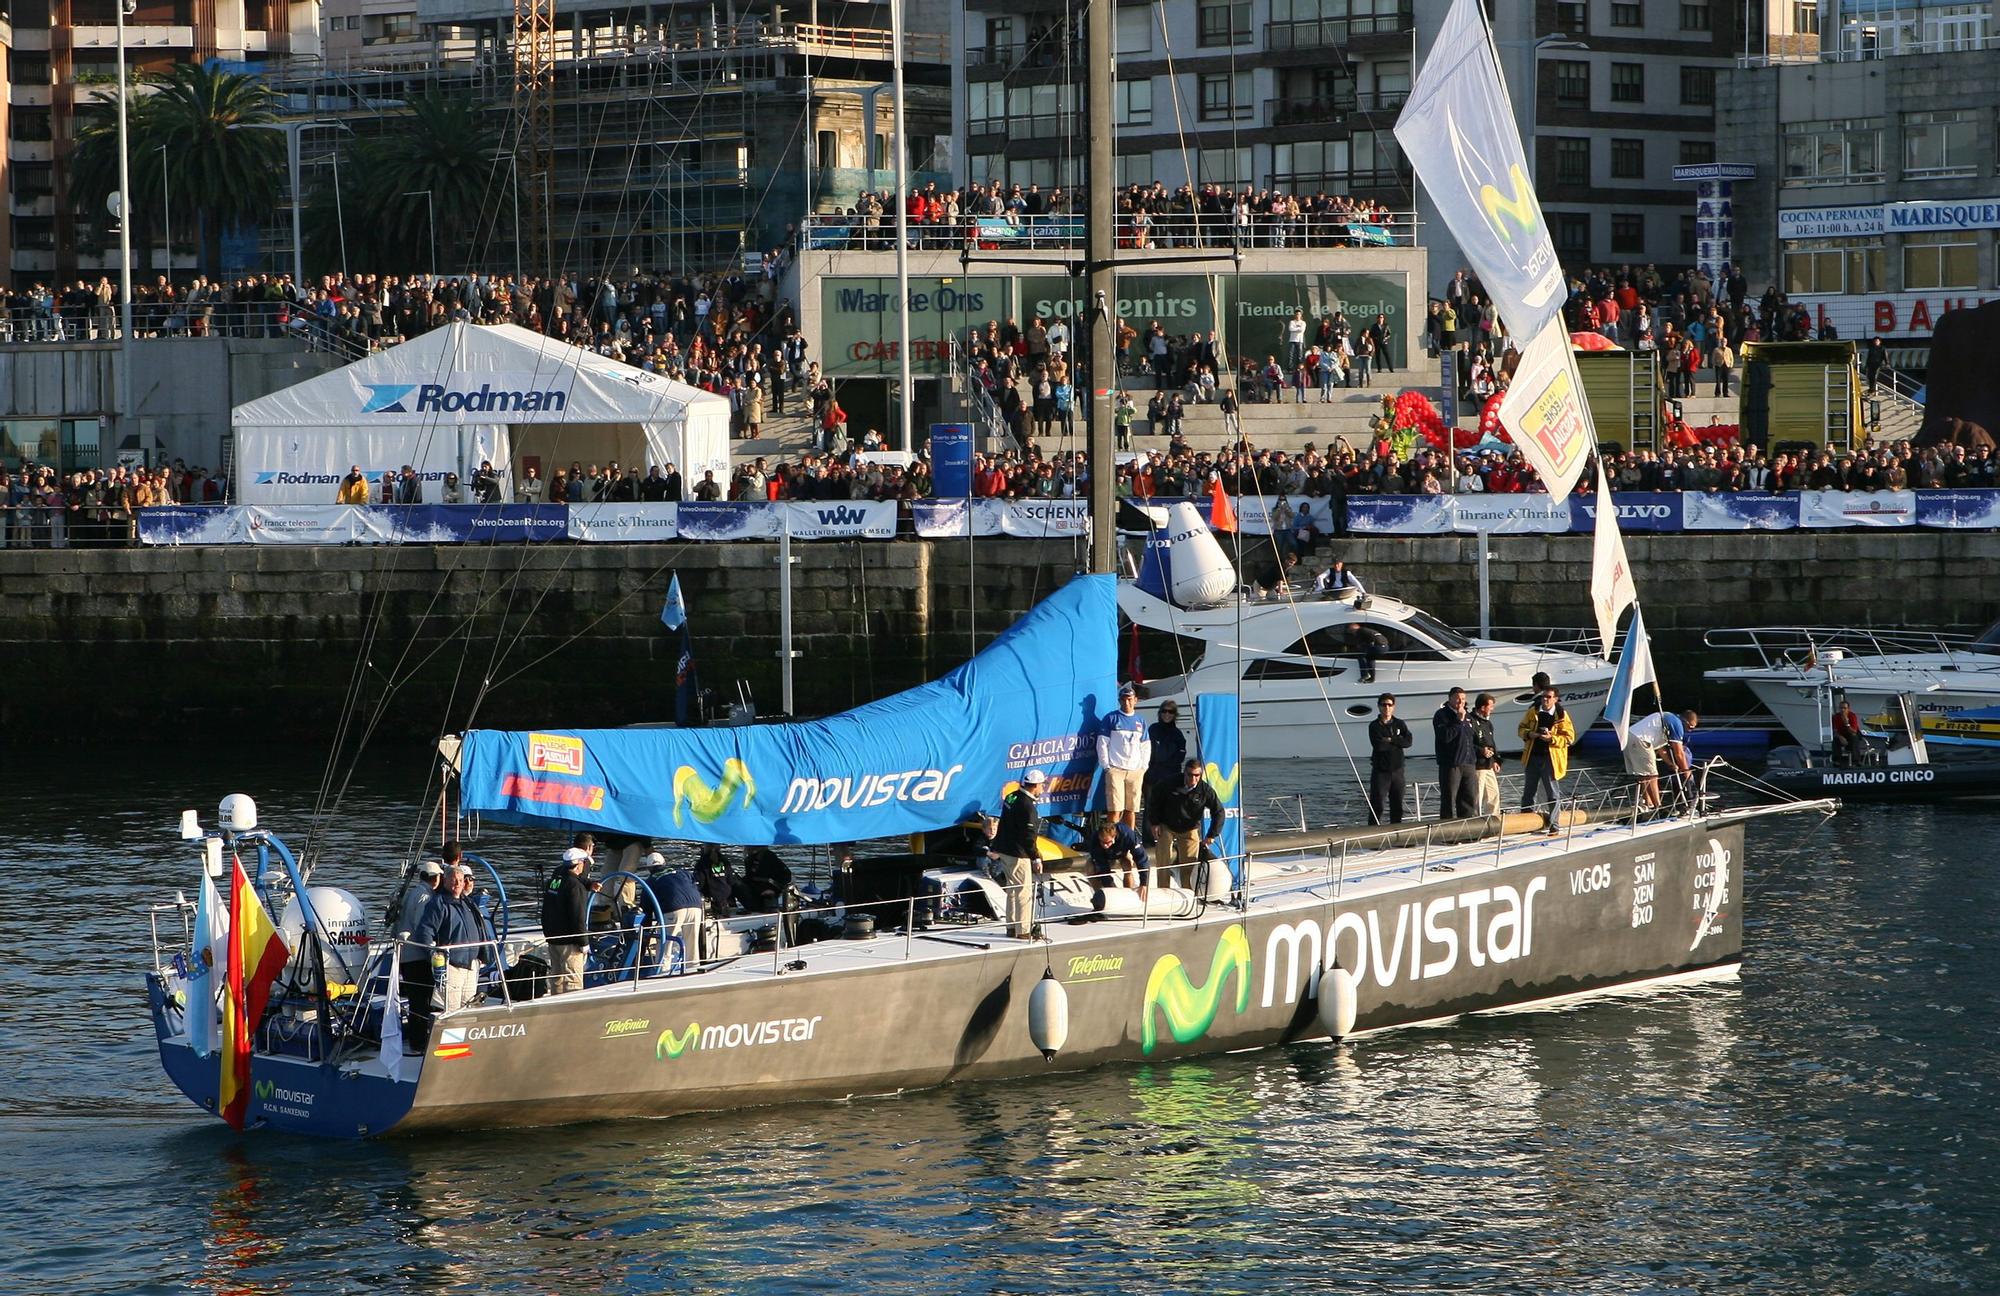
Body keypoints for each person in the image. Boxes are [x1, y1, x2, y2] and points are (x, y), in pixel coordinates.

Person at [1145, 758, 1223, 896]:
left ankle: (1187, 894)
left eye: (1196, 775)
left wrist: (1212, 834)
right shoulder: (1169, 783)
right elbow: (1154, 801)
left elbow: (1219, 812)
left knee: (1189, 865)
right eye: (1189, 774)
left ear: (1201, 775)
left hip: (1189, 828)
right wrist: (1154, 822)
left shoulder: (1205, 790)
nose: (1193, 778)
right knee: (1163, 859)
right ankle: (1163, 892)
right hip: (1167, 825)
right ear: (1184, 773)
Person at [412, 862, 483, 1013]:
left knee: (469, 1010)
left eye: (460, 880)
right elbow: (425, 931)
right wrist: (434, 956)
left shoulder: (467, 903)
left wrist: (484, 953)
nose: (457, 883)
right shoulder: (438, 903)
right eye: (453, 879)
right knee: (450, 1011)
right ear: (445, 881)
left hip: (470, 965)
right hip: (452, 966)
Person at [989, 769, 1047, 938]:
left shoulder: (1011, 796)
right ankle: (1023, 931)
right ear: (1035, 786)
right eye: (1042, 785)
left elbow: (1005, 823)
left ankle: (1011, 927)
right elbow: (1028, 837)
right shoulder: (1028, 807)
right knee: (1023, 891)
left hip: (1004, 849)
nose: (1043, 788)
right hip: (1018, 853)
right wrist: (1036, 856)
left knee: (1013, 889)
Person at [394, 857, 445, 1046]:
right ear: (435, 878)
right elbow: (421, 924)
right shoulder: (425, 896)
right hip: (417, 956)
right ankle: (419, 1041)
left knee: (416, 1000)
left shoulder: (413, 893)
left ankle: (416, 1039)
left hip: (407, 955)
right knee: (421, 1000)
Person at [540, 835, 599, 995]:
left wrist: (589, 884)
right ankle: (573, 1016)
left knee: (557, 978)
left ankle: (556, 1009)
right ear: (579, 864)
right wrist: (584, 942)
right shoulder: (575, 887)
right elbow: (578, 916)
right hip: (569, 941)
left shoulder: (557, 876)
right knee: (573, 981)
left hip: (553, 937)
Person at [1517, 686, 1576, 834]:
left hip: (1550, 758)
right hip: (1532, 756)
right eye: (1544, 696)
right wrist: (1530, 734)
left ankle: (1554, 824)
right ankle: (1525, 821)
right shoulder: (1533, 712)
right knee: (1528, 792)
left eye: (1549, 697)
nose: (1545, 699)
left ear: (1555, 699)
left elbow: (1569, 738)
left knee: (1552, 792)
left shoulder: (1562, 715)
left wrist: (1551, 739)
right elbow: (1521, 728)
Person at [1097, 684, 1152, 831]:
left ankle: (1129, 842)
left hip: (1135, 771)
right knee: (1115, 810)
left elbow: (1146, 746)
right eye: (1123, 699)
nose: (1126, 702)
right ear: (1119, 701)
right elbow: (1102, 743)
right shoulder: (1111, 718)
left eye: (1129, 699)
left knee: (1131, 810)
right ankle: (1111, 840)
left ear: (1135, 700)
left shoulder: (1140, 721)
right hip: (1116, 769)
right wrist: (1106, 766)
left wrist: (1143, 767)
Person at [643, 851, 706, 974]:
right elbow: (695, 883)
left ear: (648, 868)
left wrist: (644, 935)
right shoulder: (682, 872)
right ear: (664, 863)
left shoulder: (650, 881)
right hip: (696, 906)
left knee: (665, 944)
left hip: (673, 909)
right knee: (692, 943)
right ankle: (693, 970)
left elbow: (646, 912)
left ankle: (662, 973)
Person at [1625, 708, 1698, 809]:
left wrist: (1670, 763)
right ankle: (1658, 808)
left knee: (1643, 775)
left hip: (1629, 736)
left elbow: (1660, 748)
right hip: (1641, 740)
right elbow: (1679, 753)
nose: (1690, 730)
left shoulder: (1669, 719)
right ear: (1685, 721)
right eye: (1691, 727)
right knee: (1652, 775)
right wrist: (1687, 772)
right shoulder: (1677, 724)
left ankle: (1648, 805)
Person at [1367, 693, 1414, 825]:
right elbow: (1379, 745)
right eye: (1384, 705)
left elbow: (1408, 742)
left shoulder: (1400, 723)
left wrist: (1391, 739)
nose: (1386, 708)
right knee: (1378, 805)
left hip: (1398, 770)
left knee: (1397, 805)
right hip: (1381, 771)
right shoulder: (1374, 726)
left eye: (1389, 705)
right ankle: (1373, 835)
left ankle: (1397, 833)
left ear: (1393, 707)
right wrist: (1397, 741)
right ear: (1379, 707)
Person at [1433, 687, 1479, 818]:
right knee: (1449, 799)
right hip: (1451, 764)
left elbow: (1472, 738)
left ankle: (1468, 832)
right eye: (1458, 698)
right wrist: (1458, 721)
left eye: (1463, 699)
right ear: (1450, 699)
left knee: (1469, 798)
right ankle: (1447, 833)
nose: (1461, 701)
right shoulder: (1441, 715)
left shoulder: (1468, 716)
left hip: (1468, 763)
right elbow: (1445, 736)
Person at [1082, 819, 1152, 893]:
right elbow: (1103, 867)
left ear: (1114, 837)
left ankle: (1129, 892)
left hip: (1122, 853)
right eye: (1102, 842)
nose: (1105, 845)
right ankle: (1100, 893)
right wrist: (1112, 890)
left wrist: (1144, 883)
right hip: (1104, 857)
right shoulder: (1095, 840)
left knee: (1127, 864)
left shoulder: (1127, 834)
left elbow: (1141, 857)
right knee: (1090, 867)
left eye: (1108, 842)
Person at [1146, 700, 1188, 801]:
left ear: (1175, 715)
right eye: (1164, 711)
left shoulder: (1178, 734)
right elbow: (1145, 750)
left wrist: (1167, 765)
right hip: (1152, 776)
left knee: (1168, 807)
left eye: (1171, 712)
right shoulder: (1153, 729)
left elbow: (1181, 755)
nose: (1167, 714)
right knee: (1150, 807)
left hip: (1170, 776)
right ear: (1160, 713)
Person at [1470, 693, 1503, 816]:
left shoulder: (1488, 724)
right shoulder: (1471, 721)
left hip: (1488, 765)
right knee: (1477, 797)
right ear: (1483, 707)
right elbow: (1468, 743)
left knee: (1493, 794)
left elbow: (1492, 743)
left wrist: (1495, 760)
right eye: (1491, 706)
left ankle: (1493, 822)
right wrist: (1481, 751)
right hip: (1477, 766)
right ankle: (1475, 823)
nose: (1492, 709)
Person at [1831, 697, 1865, 767]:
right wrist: (1840, 737)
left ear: (1848, 709)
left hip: (1852, 732)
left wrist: (1847, 724)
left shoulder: (1852, 716)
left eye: (1844, 708)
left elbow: (1854, 731)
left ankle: (1856, 761)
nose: (1842, 710)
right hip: (1842, 734)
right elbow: (1835, 730)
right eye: (1841, 708)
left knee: (1854, 738)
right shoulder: (1836, 717)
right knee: (1835, 740)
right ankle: (1837, 761)